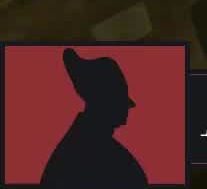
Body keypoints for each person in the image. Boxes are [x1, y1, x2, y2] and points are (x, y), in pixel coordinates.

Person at [40, 48, 149, 186]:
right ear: (105, 102)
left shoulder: (84, 144)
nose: (126, 110)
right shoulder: (85, 151)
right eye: (119, 101)